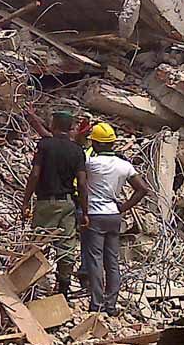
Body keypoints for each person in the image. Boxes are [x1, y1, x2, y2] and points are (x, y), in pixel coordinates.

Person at [20, 111, 88, 298]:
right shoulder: (77, 151)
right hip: (67, 204)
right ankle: (63, 289)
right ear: (70, 128)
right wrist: (85, 212)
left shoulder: (44, 145)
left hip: (45, 203)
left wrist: (26, 201)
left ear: (55, 124)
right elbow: (82, 183)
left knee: (38, 244)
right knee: (66, 247)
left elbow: (35, 174)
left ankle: (31, 287)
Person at [84, 123, 149, 316]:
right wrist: (123, 207)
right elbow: (142, 189)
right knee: (112, 261)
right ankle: (110, 304)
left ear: (95, 143)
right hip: (114, 215)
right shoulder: (125, 165)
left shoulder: (90, 163)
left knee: (95, 260)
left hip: (95, 215)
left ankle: (96, 303)